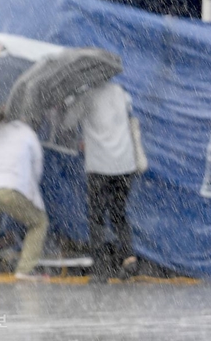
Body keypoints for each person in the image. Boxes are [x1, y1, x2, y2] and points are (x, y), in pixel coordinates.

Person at [68, 82, 139, 283]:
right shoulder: (121, 92)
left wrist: (71, 101)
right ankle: (129, 258)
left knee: (97, 217)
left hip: (100, 166)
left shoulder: (86, 96)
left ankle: (101, 270)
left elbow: (68, 122)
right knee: (118, 213)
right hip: (125, 164)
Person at [0, 114, 49, 281]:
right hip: (12, 187)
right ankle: (25, 270)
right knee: (38, 223)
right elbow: (37, 165)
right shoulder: (26, 132)